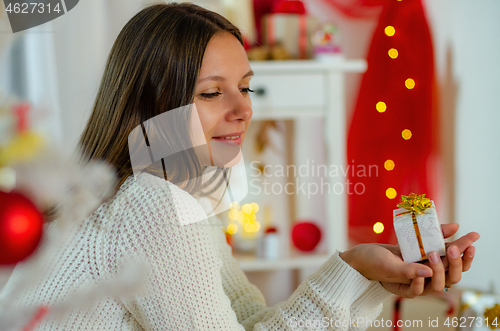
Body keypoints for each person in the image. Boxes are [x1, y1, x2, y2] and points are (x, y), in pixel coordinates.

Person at [0, 3, 479, 330]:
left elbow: (249, 322)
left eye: (245, 88)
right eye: (211, 92)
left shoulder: (170, 195)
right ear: (153, 106)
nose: (243, 109)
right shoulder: (152, 203)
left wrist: (361, 273)